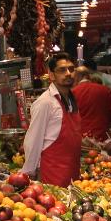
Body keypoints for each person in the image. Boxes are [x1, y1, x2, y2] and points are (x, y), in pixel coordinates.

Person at [21, 52, 82, 186]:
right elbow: (33, 141)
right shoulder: (45, 103)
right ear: (51, 75)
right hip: (53, 177)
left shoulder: (72, 100)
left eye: (71, 69)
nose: (68, 73)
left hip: (73, 174)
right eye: (62, 70)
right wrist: (28, 174)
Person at [73, 68, 111, 141]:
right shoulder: (105, 90)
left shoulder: (73, 92)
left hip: (81, 137)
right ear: (88, 76)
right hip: (102, 135)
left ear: (78, 77)